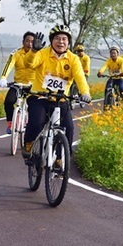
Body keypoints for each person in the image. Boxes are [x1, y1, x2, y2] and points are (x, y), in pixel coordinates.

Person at [22, 25, 91, 159]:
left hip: (60, 99)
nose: (61, 42)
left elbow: (80, 77)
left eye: (64, 39)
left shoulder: (73, 59)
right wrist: (33, 51)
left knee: (69, 128)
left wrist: (85, 93)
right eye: (57, 39)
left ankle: (62, 158)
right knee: (37, 122)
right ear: (51, 41)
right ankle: (29, 143)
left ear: (68, 42)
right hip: (39, 97)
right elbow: (29, 64)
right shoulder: (42, 53)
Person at [0, 31, 36, 134]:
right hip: (18, 84)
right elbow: (9, 65)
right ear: (23, 42)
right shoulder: (16, 53)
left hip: (33, 85)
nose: (29, 43)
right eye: (27, 41)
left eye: (32, 41)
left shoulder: (38, 54)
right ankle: (10, 123)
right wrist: (3, 77)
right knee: (8, 102)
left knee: (36, 107)